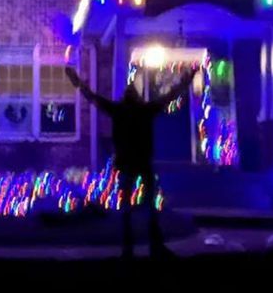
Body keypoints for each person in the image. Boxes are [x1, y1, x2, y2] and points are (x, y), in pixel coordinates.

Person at [66, 62, 199, 259]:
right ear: (136, 98)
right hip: (142, 161)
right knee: (149, 206)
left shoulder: (118, 110)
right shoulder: (145, 110)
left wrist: (78, 83)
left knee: (128, 207)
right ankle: (154, 246)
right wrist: (187, 79)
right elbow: (170, 96)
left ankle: (129, 248)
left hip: (127, 162)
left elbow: (93, 98)